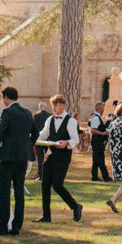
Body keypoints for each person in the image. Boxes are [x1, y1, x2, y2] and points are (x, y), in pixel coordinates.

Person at [0, 86, 34, 236]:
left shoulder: (7, 112)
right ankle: (16, 226)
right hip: (22, 156)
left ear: (5, 97)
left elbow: (0, 131)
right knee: (19, 192)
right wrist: (27, 146)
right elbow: (34, 133)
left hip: (8, 156)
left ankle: (3, 226)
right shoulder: (28, 113)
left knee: (4, 192)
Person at [35, 94, 83, 223]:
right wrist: (33, 139)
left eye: (56, 106)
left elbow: (75, 139)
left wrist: (66, 143)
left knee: (57, 185)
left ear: (62, 105)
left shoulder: (71, 121)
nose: (54, 108)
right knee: (45, 184)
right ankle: (46, 216)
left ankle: (75, 206)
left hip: (63, 157)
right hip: (51, 155)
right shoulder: (50, 120)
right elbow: (43, 134)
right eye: (53, 106)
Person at [87, 100, 111, 182]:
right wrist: (102, 133)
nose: (104, 109)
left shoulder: (98, 117)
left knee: (96, 159)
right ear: (100, 108)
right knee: (100, 159)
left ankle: (94, 176)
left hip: (98, 141)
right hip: (97, 141)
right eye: (103, 107)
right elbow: (93, 130)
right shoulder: (96, 118)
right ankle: (106, 176)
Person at [29, 99, 51, 181]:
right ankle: (47, 174)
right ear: (45, 107)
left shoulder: (36, 116)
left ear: (39, 107)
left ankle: (41, 175)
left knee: (40, 158)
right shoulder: (50, 115)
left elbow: (33, 128)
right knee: (47, 158)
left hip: (38, 139)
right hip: (47, 139)